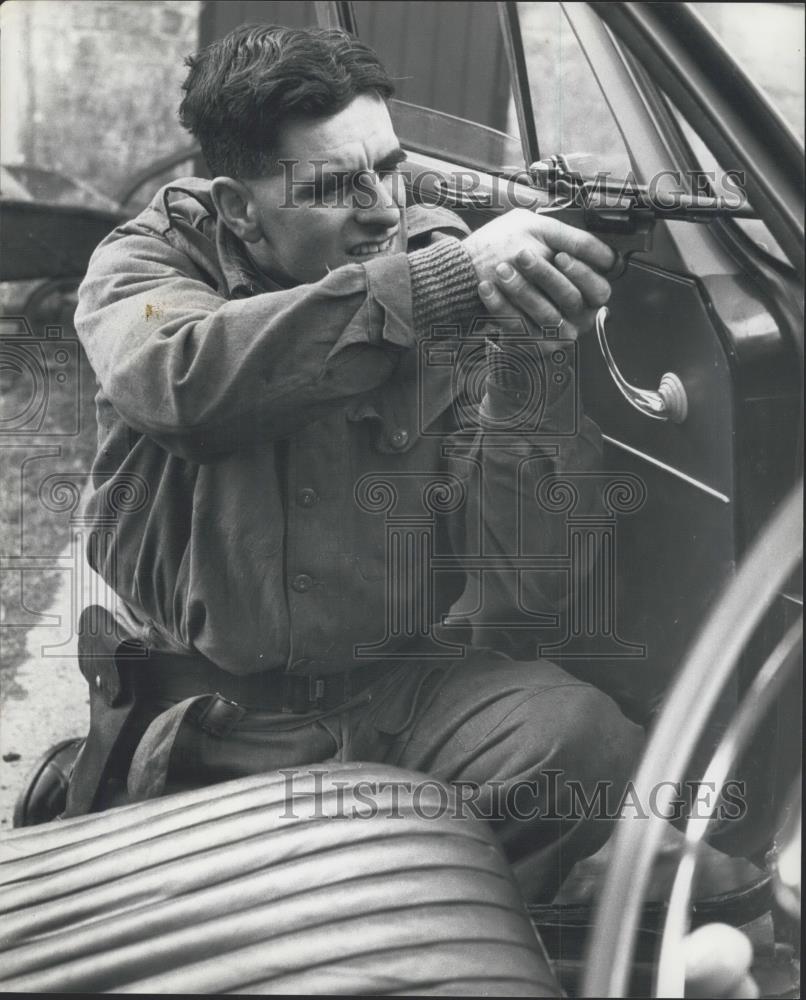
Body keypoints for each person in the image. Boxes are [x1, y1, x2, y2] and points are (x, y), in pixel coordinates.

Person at [45, 23, 644, 903]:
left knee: (582, 745)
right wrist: (435, 289)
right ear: (239, 206)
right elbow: (186, 383)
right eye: (334, 185)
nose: (382, 207)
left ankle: (418, 917)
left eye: (391, 167)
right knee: (221, 914)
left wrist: (528, 369)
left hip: (401, 696)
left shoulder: (439, 258)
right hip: (214, 715)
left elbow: (523, 584)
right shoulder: (142, 265)